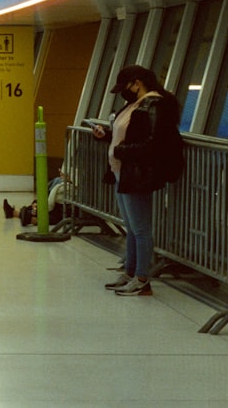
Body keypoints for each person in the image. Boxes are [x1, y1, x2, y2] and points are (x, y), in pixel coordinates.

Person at [92, 64, 181, 297]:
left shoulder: (153, 105)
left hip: (138, 173)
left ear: (137, 82)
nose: (124, 91)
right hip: (123, 171)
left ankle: (142, 278)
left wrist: (121, 151)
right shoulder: (134, 105)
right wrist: (108, 137)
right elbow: (130, 135)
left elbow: (152, 143)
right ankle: (130, 274)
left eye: (126, 86)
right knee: (131, 228)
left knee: (140, 229)